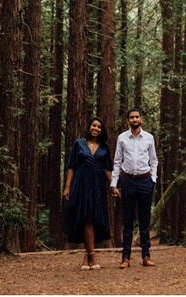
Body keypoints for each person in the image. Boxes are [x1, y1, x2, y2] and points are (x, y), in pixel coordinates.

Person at [110, 107, 158, 268]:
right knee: (128, 221)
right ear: (127, 120)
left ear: (141, 119)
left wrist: (153, 179)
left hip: (145, 181)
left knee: (145, 221)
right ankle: (126, 258)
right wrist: (114, 184)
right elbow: (117, 161)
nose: (135, 120)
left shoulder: (149, 138)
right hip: (128, 181)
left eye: (137, 117)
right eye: (132, 117)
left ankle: (146, 256)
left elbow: (154, 160)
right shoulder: (122, 138)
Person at [63, 116, 112, 270]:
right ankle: (90, 255)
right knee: (85, 217)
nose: (96, 129)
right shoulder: (79, 144)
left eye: (99, 127)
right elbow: (71, 166)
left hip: (97, 185)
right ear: (89, 127)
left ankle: (88, 255)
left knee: (93, 217)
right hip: (81, 183)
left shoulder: (104, 148)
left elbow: (107, 170)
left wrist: (114, 186)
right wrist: (67, 187)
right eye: (93, 126)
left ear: (101, 130)